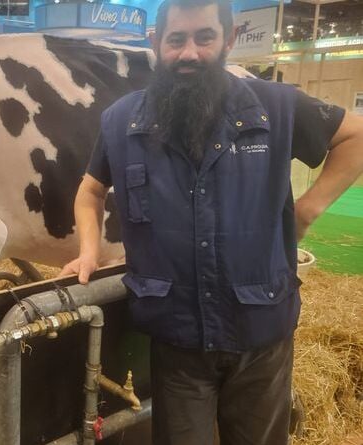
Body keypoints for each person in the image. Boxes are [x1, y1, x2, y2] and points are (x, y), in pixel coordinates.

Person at [60, 1, 363, 444]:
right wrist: (88, 251)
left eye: (204, 37)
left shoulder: (276, 107)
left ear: (229, 40)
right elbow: (89, 191)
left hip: (261, 331)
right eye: (176, 39)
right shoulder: (122, 121)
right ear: (155, 43)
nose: (189, 53)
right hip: (176, 338)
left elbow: (354, 136)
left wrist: (307, 210)